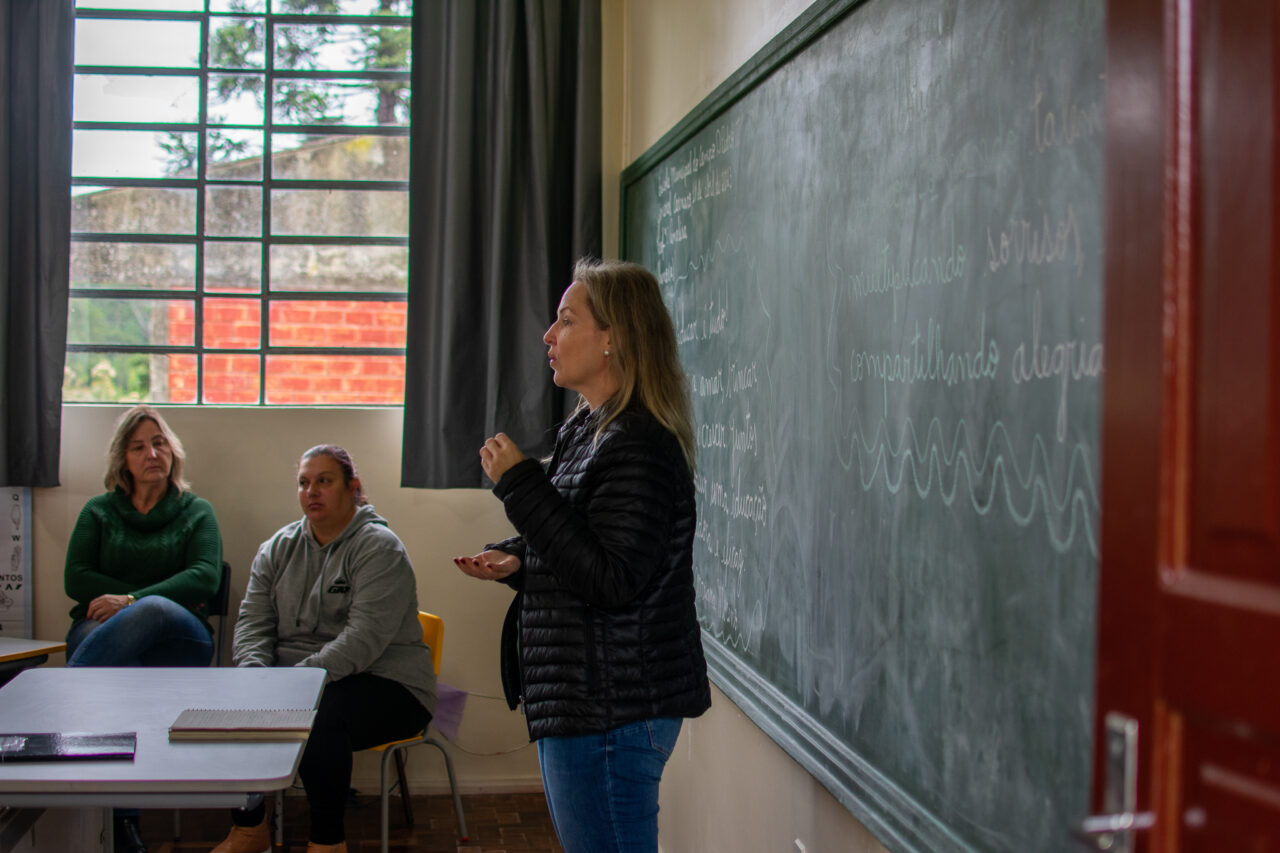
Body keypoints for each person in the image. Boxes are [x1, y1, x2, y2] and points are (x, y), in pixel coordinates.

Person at [453, 258, 712, 853]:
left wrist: (520, 484)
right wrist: (519, 558)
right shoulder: (588, 429)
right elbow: (584, 543)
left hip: (611, 711)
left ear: (613, 338)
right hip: (586, 702)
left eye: (566, 321)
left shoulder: (638, 444)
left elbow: (613, 580)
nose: (549, 335)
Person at [212, 445, 435, 853]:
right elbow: (253, 622)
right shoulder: (276, 548)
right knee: (236, 693)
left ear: (353, 487)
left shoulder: (379, 548)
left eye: (324, 481)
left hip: (389, 684)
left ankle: (328, 843)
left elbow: (362, 640)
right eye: (303, 482)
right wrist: (253, 674)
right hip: (298, 682)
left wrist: (296, 684)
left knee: (322, 710)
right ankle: (249, 830)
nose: (311, 491)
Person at [63, 404, 223, 853]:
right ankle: (123, 824)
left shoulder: (197, 511)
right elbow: (75, 579)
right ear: (123, 461)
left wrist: (130, 601)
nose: (152, 452)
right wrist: (131, 603)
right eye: (139, 446)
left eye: (159, 442)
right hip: (102, 634)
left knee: (151, 609)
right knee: (121, 678)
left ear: (173, 452)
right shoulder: (97, 512)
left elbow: (204, 578)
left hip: (180, 636)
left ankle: (58, 703)